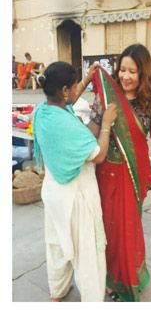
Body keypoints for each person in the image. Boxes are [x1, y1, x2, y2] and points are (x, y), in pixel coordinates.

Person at [89, 44, 151, 301]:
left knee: (129, 227)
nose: (125, 76)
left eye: (132, 71)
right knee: (110, 228)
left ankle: (130, 277)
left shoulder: (150, 99)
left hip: (134, 172)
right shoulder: (106, 97)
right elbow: (90, 134)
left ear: (143, 73)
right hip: (107, 172)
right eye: (122, 69)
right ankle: (113, 278)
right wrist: (101, 119)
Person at [33, 61, 117, 301]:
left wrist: (86, 81)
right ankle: (91, 301)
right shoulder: (67, 125)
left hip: (54, 193)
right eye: (72, 87)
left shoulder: (43, 111)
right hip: (76, 198)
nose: (74, 91)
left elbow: (68, 104)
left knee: (58, 245)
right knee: (87, 253)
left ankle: (57, 293)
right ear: (64, 91)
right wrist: (107, 124)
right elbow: (99, 155)